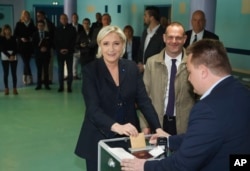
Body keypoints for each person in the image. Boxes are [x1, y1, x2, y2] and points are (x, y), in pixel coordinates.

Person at [121, 39, 250, 171]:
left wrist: (144, 166)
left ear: (203, 72)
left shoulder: (206, 109)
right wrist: (168, 140)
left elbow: (182, 164)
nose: (188, 78)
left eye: (189, 72)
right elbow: (205, 137)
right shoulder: (242, 92)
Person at [74, 25, 166, 171]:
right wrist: (117, 126)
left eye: (116, 43)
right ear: (100, 46)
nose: (111, 49)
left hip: (128, 139)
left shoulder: (131, 68)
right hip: (98, 138)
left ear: (123, 45)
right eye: (106, 44)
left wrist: (158, 128)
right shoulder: (90, 70)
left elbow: (143, 101)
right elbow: (93, 109)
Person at [141, 22, 195, 135]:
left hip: (185, 125)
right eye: (170, 37)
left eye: (178, 38)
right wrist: (145, 124)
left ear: (184, 39)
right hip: (157, 123)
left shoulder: (193, 63)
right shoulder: (152, 62)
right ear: (164, 38)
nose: (174, 41)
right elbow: (144, 96)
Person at [137, 6, 165, 73]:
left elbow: (162, 55)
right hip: (142, 73)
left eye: (145, 15)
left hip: (156, 72)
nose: (144, 17)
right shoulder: (145, 32)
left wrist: (145, 67)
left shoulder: (163, 33)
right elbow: (141, 50)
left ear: (151, 18)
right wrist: (139, 63)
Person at [54, 14, 76, 93]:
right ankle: (61, 86)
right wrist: (60, 49)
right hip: (60, 53)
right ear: (60, 20)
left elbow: (74, 41)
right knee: (60, 70)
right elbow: (55, 41)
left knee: (70, 70)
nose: (64, 20)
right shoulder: (57, 29)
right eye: (62, 19)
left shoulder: (72, 29)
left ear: (67, 20)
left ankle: (69, 86)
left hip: (69, 52)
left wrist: (68, 49)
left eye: (65, 19)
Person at [14, 10, 37, 85]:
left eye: (27, 15)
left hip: (29, 46)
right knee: (25, 62)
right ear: (22, 16)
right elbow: (15, 34)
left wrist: (31, 38)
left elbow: (35, 34)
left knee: (26, 62)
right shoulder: (19, 24)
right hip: (21, 46)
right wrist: (21, 38)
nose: (26, 16)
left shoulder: (32, 24)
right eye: (25, 15)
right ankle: (29, 76)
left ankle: (25, 76)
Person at [36, 10, 55, 84]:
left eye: (39, 15)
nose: (38, 17)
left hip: (49, 47)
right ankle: (42, 79)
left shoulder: (50, 24)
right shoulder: (35, 25)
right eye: (37, 16)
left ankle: (49, 79)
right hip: (39, 49)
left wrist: (51, 45)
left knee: (50, 64)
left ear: (43, 16)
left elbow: (53, 35)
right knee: (41, 64)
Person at [32, 20, 52, 90]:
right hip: (38, 55)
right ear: (37, 26)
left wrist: (46, 48)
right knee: (39, 70)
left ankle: (46, 85)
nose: (40, 27)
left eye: (42, 25)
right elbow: (33, 45)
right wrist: (39, 49)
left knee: (46, 70)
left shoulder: (48, 34)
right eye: (39, 25)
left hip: (46, 55)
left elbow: (51, 43)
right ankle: (39, 85)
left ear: (44, 26)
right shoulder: (34, 34)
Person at [0, 24, 18, 95]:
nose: (7, 31)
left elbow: (16, 47)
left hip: (13, 56)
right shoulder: (1, 38)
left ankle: (14, 88)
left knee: (14, 73)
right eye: (6, 30)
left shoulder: (13, 38)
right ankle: (6, 88)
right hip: (5, 56)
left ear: (10, 30)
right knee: (6, 73)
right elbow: (2, 48)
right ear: (3, 31)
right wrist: (9, 56)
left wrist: (13, 55)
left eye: (8, 30)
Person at [71, 13, 84, 80]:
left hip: (80, 47)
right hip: (72, 47)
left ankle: (80, 74)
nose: (75, 19)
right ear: (71, 18)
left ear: (78, 18)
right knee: (74, 63)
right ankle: (74, 75)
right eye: (74, 17)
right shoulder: (69, 26)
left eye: (76, 17)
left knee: (81, 62)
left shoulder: (81, 27)